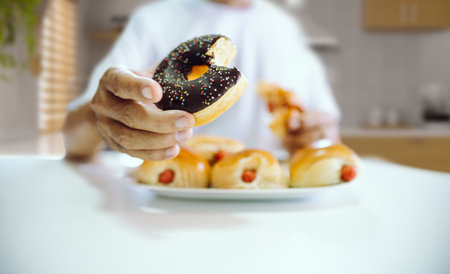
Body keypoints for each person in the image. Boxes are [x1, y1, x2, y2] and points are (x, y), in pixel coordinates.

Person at [64, 0, 341, 161]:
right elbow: (71, 139)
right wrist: (97, 118)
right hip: (165, 201)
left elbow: (328, 133)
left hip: (266, 199)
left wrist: (317, 137)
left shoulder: (285, 29)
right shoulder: (154, 20)